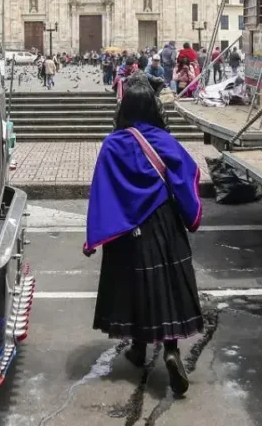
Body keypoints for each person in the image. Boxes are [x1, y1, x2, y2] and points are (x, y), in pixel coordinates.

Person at [84, 73, 204, 396]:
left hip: (128, 228)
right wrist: (191, 213)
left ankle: (139, 348)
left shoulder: (112, 144)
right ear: (152, 107)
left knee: (133, 285)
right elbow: (187, 173)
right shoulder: (163, 140)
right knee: (167, 286)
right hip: (163, 222)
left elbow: (102, 192)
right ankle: (171, 350)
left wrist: (95, 234)